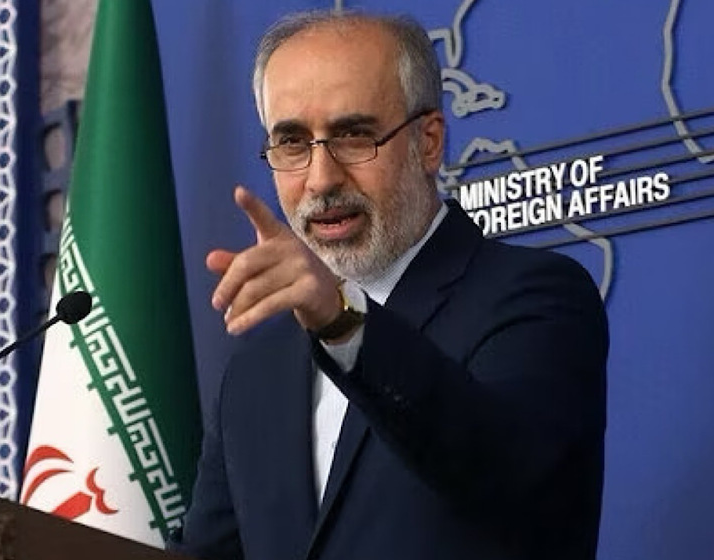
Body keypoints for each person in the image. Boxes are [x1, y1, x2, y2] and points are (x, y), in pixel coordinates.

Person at [167, 9, 608, 560]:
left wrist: (342, 320)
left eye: (354, 136)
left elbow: (504, 475)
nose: (321, 179)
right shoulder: (255, 372)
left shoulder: (536, 300)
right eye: (292, 142)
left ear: (428, 142)